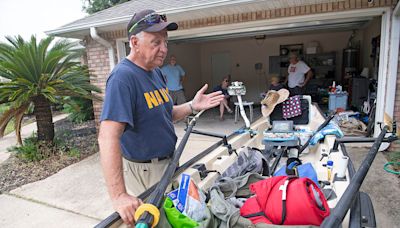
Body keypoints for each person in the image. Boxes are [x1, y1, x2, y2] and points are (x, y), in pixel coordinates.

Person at [98, 9, 224, 225]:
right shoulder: (123, 78)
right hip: (146, 170)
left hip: (168, 163)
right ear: (134, 42)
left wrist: (192, 106)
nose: (163, 49)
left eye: (165, 42)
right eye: (155, 42)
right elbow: (108, 137)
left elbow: (166, 115)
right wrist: (119, 196)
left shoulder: (155, 72)